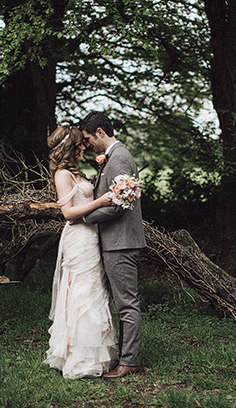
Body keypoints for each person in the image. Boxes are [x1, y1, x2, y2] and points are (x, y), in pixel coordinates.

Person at [44, 125, 118, 379]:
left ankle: (94, 354)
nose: (85, 148)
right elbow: (67, 213)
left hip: (91, 235)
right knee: (82, 291)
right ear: (71, 147)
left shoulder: (75, 172)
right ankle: (80, 357)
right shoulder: (62, 174)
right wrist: (100, 201)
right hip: (78, 237)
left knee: (94, 288)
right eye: (81, 145)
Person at [79, 111, 146, 379]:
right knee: (123, 302)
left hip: (121, 242)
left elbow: (120, 204)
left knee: (127, 304)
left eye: (87, 139)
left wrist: (87, 216)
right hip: (117, 241)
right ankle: (125, 356)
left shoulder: (118, 159)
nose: (87, 146)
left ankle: (130, 362)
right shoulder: (115, 158)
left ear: (100, 133)